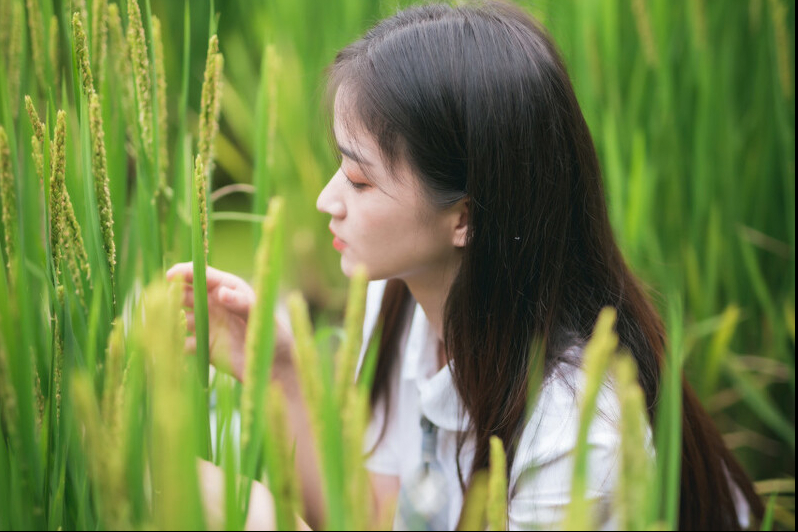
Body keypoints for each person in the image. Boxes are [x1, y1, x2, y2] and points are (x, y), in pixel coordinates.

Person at [168, 1, 764, 529]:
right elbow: (383, 516)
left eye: (358, 179)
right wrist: (282, 375)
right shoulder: (400, 297)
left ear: (465, 218)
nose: (327, 200)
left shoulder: (576, 435)